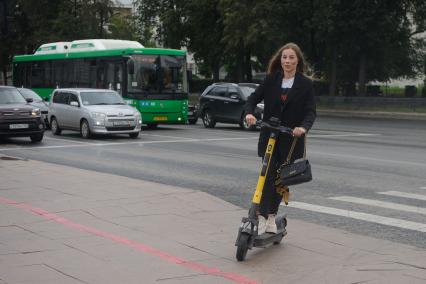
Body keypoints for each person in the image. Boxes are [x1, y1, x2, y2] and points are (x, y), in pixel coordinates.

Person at [244, 42, 316, 235]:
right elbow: (252, 99)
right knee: (266, 176)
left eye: (292, 58)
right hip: (269, 136)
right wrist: (249, 114)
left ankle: (270, 217)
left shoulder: (305, 84)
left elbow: (310, 112)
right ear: (280, 59)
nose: (287, 61)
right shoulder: (271, 80)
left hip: (290, 140)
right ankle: (260, 216)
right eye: (284, 57)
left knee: (280, 180)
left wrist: (303, 127)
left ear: (297, 61)